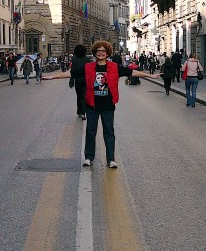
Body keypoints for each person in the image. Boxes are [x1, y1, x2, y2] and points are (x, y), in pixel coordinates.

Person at [43, 40, 160, 168]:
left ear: (107, 53)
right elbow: (72, 73)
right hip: (92, 104)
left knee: (109, 132)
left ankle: (111, 159)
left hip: (108, 105)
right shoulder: (89, 67)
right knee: (90, 132)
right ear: (95, 53)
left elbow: (131, 72)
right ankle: (88, 158)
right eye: (98, 51)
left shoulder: (114, 67)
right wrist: (53, 77)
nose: (101, 53)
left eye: (103, 51)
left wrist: (150, 76)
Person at [69, 44, 88, 119]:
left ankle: (79, 111)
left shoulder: (74, 59)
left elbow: (72, 71)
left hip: (77, 80)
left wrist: (71, 81)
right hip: (85, 80)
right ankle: (83, 113)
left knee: (79, 97)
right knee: (84, 97)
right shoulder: (87, 59)